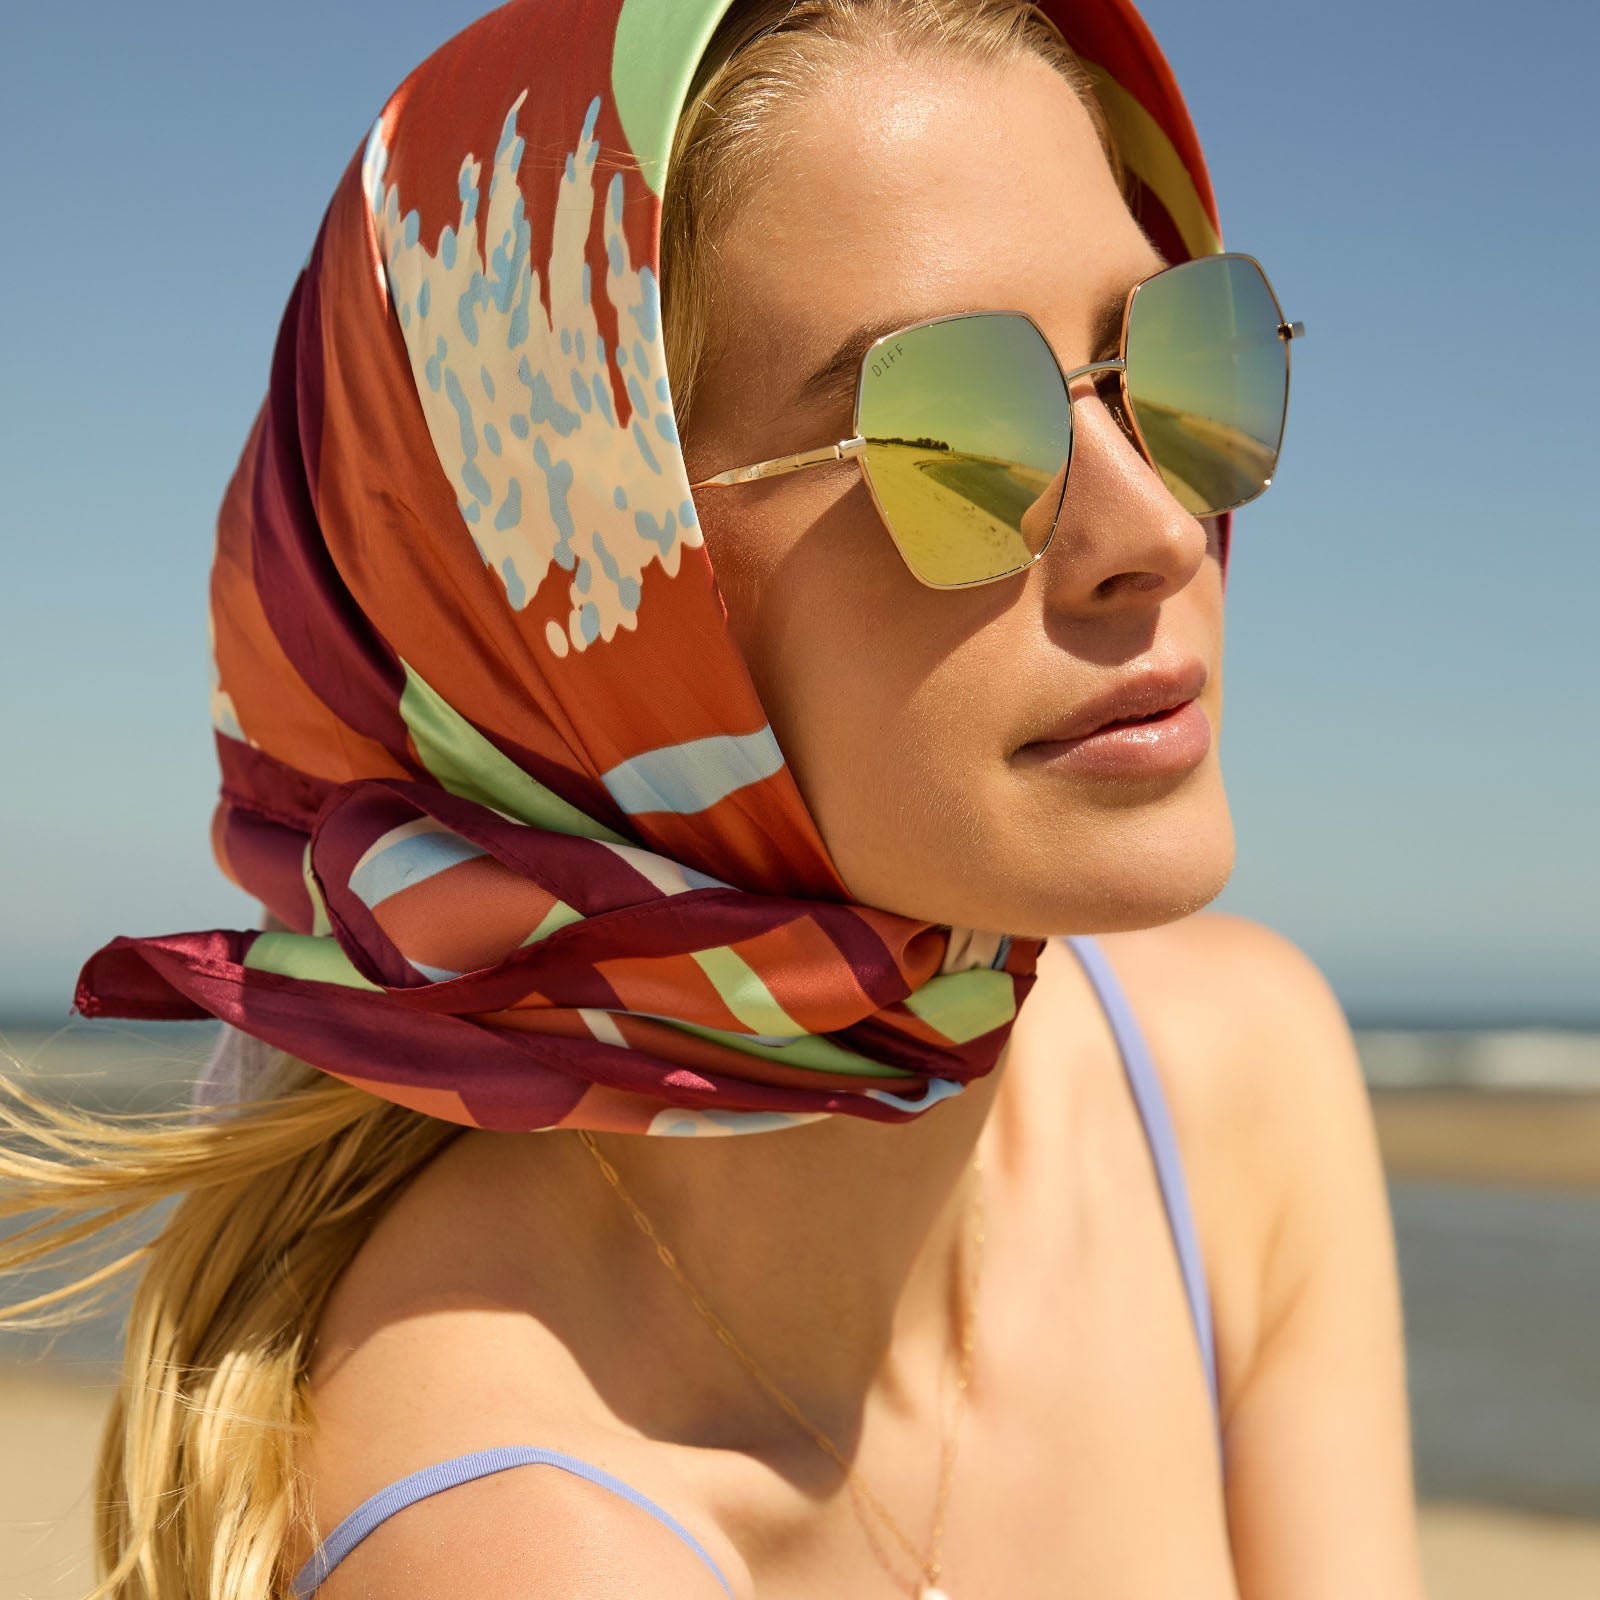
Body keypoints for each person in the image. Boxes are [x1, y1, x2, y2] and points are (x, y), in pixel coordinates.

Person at [2, 1, 1426, 1595]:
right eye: (949, 430)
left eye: (1176, 356)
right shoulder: (529, 1539)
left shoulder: (1238, 1083)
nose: (1154, 524)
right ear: (582, 598)